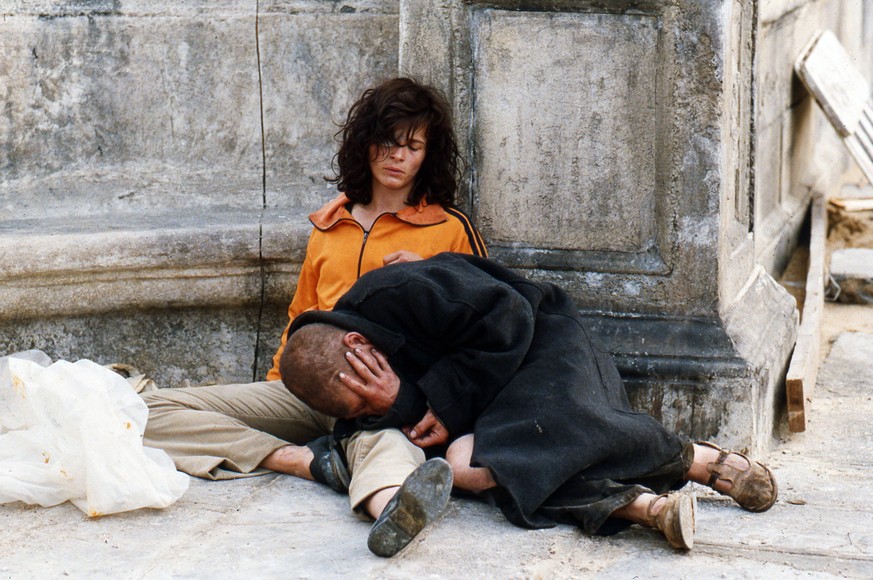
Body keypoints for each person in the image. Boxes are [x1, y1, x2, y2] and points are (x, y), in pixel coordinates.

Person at [141, 78, 486, 552]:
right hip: (302, 391)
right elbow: (301, 313)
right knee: (146, 410)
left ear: (428, 155)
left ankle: (388, 507)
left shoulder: (448, 229)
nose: (397, 156)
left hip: (381, 401)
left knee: (387, 452)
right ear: (365, 145)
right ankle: (302, 461)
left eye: (412, 146)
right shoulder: (328, 227)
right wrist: (278, 382)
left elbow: (484, 326)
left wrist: (438, 403)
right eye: (387, 142)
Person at [280, 252, 779, 553]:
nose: (372, 413)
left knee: (554, 427)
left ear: (358, 347)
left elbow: (509, 317)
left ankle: (688, 458)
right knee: (483, 470)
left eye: (366, 400)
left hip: (541, 346)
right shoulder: (354, 382)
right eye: (362, 413)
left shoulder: (400, 292)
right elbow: (412, 415)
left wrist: (437, 399)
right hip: (487, 403)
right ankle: (646, 509)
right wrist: (400, 400)